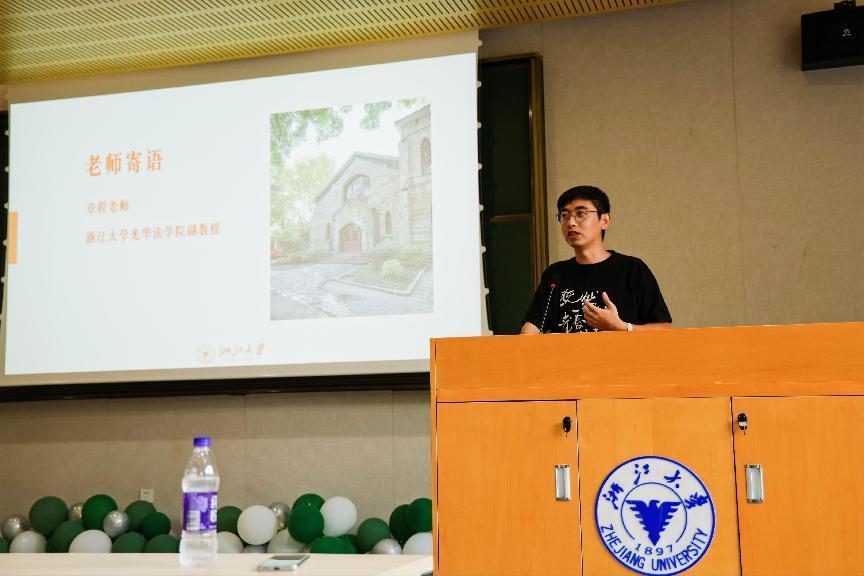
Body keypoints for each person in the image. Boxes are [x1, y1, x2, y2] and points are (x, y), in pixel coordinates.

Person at [521, 185, 671, 334]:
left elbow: (663, 329)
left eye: (580, 213)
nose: (570, 222)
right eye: (564, 215)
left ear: (604, 220)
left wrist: (622, 327)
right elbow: (532, 327)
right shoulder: (555, 274)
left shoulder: (632, 269)